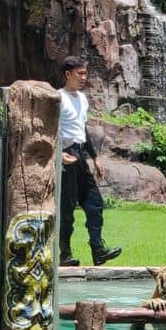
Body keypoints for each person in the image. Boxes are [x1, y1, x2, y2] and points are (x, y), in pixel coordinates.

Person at [56, 56, 122, 267]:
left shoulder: (82, 99)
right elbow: (49, 129)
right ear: (68, 74)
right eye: (80, 74)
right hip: (65, 155)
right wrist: (58, 154)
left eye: (85, 73)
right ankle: (64, 255)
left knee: (95, 202)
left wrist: (95, 157)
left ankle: (98, 250)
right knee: (67, 209)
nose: (84, 77)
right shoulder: (58, 98)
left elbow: (82, 129)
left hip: (81, 154)